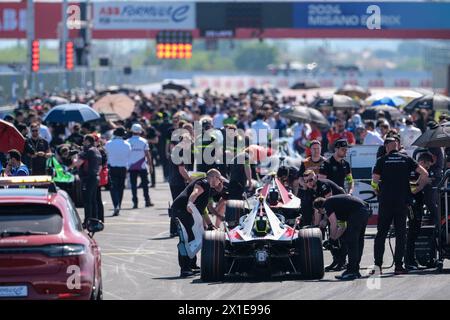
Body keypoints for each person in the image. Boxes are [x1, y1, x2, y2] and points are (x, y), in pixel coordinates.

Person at [371, 136, 429, 275]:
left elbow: (374, 181)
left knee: (381, 234)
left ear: (386, 146)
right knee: (401, 235)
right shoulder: (406, 159)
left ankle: (377, 266)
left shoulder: (381, 160)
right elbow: (425, 173)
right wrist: (416, 188)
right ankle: (398, 266)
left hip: (386, 202)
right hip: (402, 202)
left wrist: (378, 191)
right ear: (396, 145)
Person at [171, 169, 224, 277]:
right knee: (186, 239)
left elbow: (203, 210)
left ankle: (192, 265)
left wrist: (210, 225)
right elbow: (195, 193)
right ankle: (185, 269)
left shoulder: (207, 187)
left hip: (187, 213)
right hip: (181, 211)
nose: (220, 182)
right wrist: (190, 203)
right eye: (219, 179)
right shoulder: (204, 183)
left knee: (194, 237)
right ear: (214, 178)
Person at [313, 194, 370, 280]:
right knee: (358, 241)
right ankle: (355, 270)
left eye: (318, 211)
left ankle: (351, 271)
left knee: (351, 242)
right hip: (364, 211)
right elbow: (342, 227)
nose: (319, 213)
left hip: (357, 212)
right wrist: (334, 238)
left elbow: (333, 224)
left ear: (320, 208)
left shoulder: (327, 204)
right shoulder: (338, 206)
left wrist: (331, 240)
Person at [406, 152, 433, 269]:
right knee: (412, 233)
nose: (427, 169)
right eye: (426, 167)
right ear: (421, 163)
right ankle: (409, 261)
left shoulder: (422, 173)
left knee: (416, 232)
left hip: (419, 205)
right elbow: (412, 190)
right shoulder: (412, 172)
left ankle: (412, 259)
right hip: (412, 205)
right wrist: (423, 184)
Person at [74, 134, 102, 225]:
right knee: (93, 200)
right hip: (95, 177)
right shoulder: (97, 150)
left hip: (88, 178)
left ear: (88, 141)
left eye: (84, 140)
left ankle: (87, 221)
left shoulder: (88, 151)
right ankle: (94, 220)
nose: (83, 142)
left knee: (87, 201)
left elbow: (78, 163)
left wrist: (74, 157)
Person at [105, 127, 132, 216]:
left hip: (112, 168)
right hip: (123, 168)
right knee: (120, 188)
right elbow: (129, 157)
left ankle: (116, 205)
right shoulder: (127, 144)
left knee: (113, 188)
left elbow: (106, 155)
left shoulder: (108, 143)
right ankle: (118, 205)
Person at [127, 123, 154, 209]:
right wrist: (150, 166)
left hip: (131, 166)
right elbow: (147, 154)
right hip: (142, 166)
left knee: (133, 185)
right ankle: (147, 201)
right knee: (145, 185)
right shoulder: (144, 141)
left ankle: (135, 203)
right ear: (140, 131)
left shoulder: (128, 141)